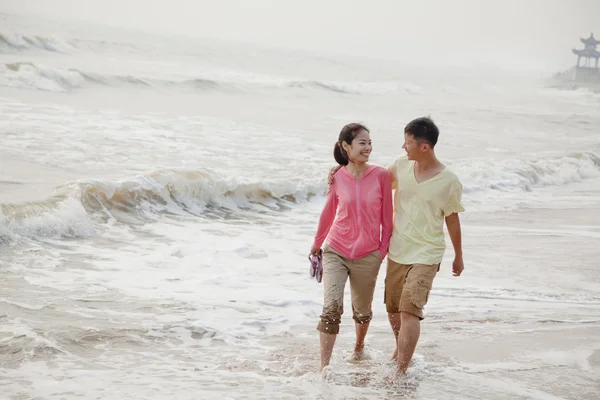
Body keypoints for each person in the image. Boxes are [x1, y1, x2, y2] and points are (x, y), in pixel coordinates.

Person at [384, 117, 465, 377]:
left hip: (427, 252)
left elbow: (452, 219)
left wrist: (458, 256)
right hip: (398, 249)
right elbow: (372, 181)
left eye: (408, 142)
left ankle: (400, 371)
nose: (403, 147)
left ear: (424, 147)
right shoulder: (400, 166)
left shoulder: (449, 181)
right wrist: (339, 171)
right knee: (393, 308)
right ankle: (401, 348)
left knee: (409, 309)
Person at [311, 122, 393, 371]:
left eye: (369, 142)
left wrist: (381, 252)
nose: (368, 147)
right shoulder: (337, 176)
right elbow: (328, 212)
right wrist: (317, 245)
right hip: (336, 249)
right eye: (362, 142)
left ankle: (359, 347)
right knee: (331, 307)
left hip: (369, 254)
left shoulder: (381, 175)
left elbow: (387, 219)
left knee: (363, 311)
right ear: (346, 146)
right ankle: (323, 368)